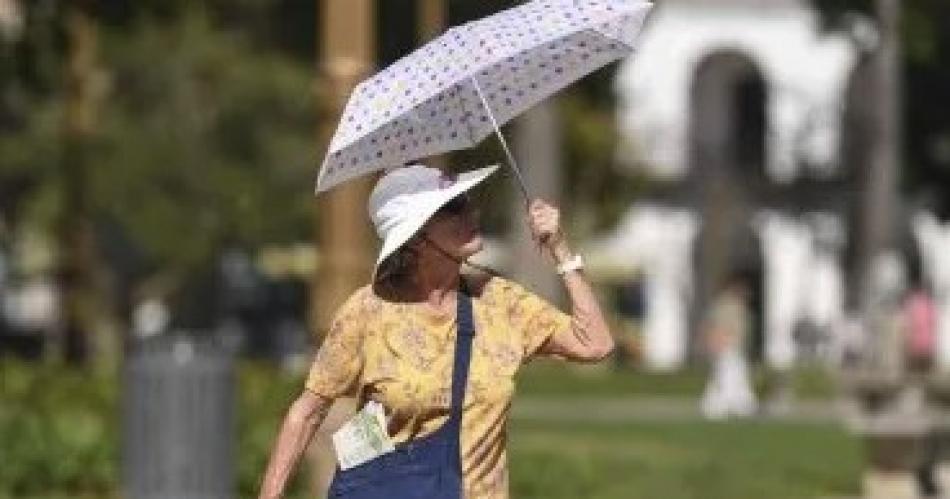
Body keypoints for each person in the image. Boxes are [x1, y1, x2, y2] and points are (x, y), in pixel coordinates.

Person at [258, 164, 614, 499]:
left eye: (468, 201)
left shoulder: (499, 300)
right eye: (454, 207)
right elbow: (307, 411)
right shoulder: (368, 311)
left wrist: (561, 250)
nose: (472, 212)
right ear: (415, 237)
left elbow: (595, 344)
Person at [700, 276, 757, 419]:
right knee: (727, 376)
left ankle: (739, 405)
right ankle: (721, 407)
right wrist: (717, 342)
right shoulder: (726, 306)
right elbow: (717, 327)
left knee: (734, 376)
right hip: (727, 346)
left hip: (734, 346)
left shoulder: (735, 306)